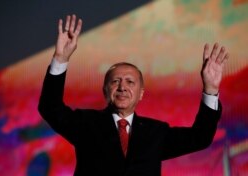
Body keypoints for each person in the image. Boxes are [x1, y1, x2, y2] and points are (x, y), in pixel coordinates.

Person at [38, 14, 229, 176]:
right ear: (105, 90)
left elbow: (200, 138)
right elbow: (50, 108)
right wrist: (60, 60)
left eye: (130, 82)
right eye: (115, 81)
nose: (122, 87)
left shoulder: (155, 133)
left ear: (141, 94)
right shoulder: (86, 124)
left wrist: (210, 90)